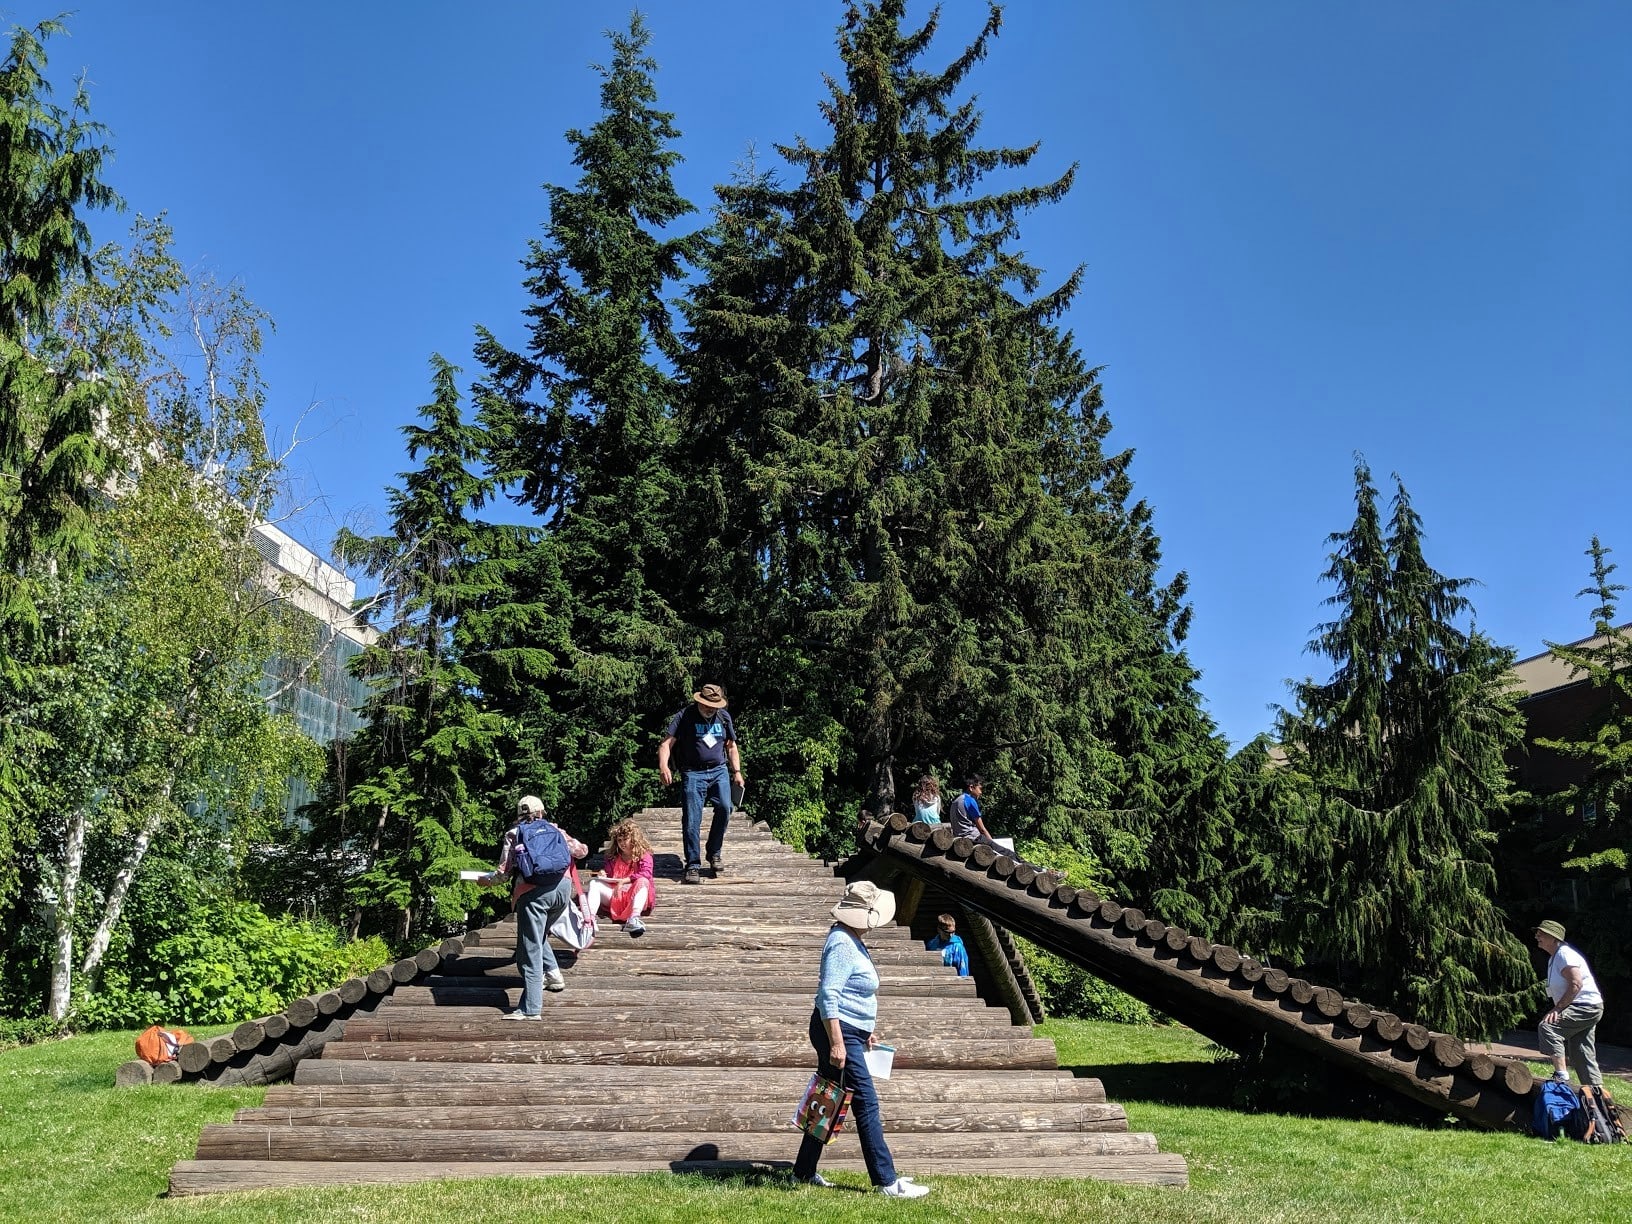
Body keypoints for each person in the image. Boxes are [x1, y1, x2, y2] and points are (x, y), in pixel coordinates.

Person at [791, 880, 930, 1199]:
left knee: (827, 1099)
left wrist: (866, 1032)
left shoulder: (850, 937)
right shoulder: (841, 941)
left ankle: (803, 1171)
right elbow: (828, 995)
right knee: (866, 1102)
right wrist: (838, 1042)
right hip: (836, 1031)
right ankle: (886, 1180)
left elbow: (853, 994)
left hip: (851, 1031)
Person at [478, 795, 588, 1018]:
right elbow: (581, 851)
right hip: (562, 891)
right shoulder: (556, 830)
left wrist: (485, 880)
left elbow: (503, 873)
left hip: (533, 895)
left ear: (519, 814)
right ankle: (554, 975)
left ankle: (530, 1009)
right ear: (541, 812)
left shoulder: (514, 834)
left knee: (530, 949)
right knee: (538, 937)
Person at [657, 683, 743, 884]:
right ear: (699, 701)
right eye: (707, 705)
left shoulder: (723, 717)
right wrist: (664, 766)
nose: (710, 709)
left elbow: (731, 747)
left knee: (724, 807)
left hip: (719, 770)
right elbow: (665, 744)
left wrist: (737, 772)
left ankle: (714, 853)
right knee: (692, 820)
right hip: (693, 773)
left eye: (714, 706)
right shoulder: (684, 716)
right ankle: (693, 865)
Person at [1534, 919, 1605, 1087]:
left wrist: (1558, 1009)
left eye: (1541, 933)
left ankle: (1562, 1077)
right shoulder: (1554, 958)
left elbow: (1576, 984)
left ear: (1553, 938)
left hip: (1585, 1006)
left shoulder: (1564, 954)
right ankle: (1597, 1095)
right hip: (1586, 1006)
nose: (1537, 936)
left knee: (1548, 1027)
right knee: (1581, 1052)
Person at [586, 818, 656, 938]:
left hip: (635, 896)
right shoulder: (612, 857)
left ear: (634, 839)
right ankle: (589, 920)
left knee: (643, 881)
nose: (622, 843)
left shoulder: (644, 855)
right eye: (619, 840)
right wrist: (603, 874)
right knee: (594, 883)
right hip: (616, 896)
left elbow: (646, 873)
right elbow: (610, 875)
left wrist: (625, 880)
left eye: (625, 839)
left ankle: (633, 918)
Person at [949, 775, 999, 847]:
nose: (981, 792)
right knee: (1007, 853)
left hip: (958, 838)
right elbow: (982, 829)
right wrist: (992, 844)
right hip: (972, 838)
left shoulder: (956, 801)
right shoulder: (969, 800)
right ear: (971, 788)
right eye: (980, 789)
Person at [924, 912, 970, 977]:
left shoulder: (957, 946)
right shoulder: (931, 944)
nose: (951, 935)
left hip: (952, 981)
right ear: (939, 930)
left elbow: (963, 970)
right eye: (947, 933)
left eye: (953, 932)